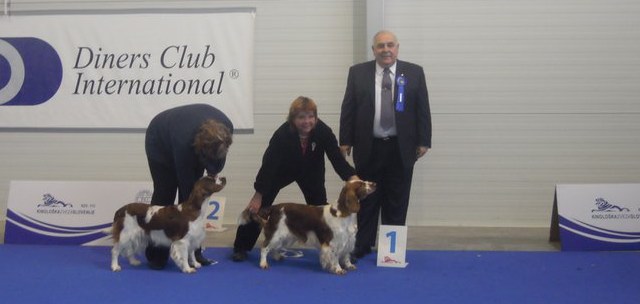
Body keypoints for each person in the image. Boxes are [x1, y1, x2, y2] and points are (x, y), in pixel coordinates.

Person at [339, 30, 431, 259]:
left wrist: (424, 140)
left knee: (397, 200)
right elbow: (348, 107)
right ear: (374, 50)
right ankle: (362, 244)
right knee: (366, 199)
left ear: (397, 48)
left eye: (390, 45)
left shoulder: (414, 72)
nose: (386, 49)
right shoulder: (357, 73)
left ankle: (392, 250)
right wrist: (345, 140)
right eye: (381, 46)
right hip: (369, 146)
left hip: (401, 148)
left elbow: (423, 109)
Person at [232, 96, 358, 262]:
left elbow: (336, 158)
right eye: (301, 117)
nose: (307, 121)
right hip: (281, 171)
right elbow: (268, 166)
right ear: (292, 119)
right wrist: (258, 194)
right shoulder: (282, 135)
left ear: (316, 117)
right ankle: (241, 247)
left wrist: (351, 176)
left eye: (311, 116)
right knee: (259, 206)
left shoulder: (323, 132)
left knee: (321, 210)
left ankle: (333, 248)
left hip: (312, 172)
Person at [145, 103, 234, 269]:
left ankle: (194, 253)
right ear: (201, 148)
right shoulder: (184, 142)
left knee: (194, 204)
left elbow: (217, 164)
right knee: (166, 194)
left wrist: (213, 173)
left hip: (190, 139)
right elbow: (188, 191)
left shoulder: (227, 128)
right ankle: (157, 253)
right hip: (159, 140)